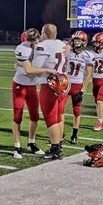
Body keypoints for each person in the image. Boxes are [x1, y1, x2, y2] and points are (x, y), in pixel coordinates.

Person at [12, 28, 56, 159]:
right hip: (20, 85)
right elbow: (29, 70)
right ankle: (17, 146)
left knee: (35, 116)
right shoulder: (21, 49)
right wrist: (48, 69)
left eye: (36, 40)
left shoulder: (41, 46)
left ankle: (32, 143)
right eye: (31, 41)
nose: (34, 43)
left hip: (32, 86)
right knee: (17, 116)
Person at [31, 24, 68, 160]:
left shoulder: (43, 46)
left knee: (51, 119)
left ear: (44, 33)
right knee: (58, 117)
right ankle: (58, 146)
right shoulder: (61, 44)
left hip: (49, 85)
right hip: (63, 83)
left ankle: (55, 149)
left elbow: (35, 68)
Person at [64, 31, 94, 144]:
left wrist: (82, 91)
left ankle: (74, 134)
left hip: (77, 85)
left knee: (76, 111)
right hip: (66, 84)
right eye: (75, 40)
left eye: (79, 40)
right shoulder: (68, 53)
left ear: (84, 42)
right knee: (60, 109)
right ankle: (60, 133)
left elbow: (89, 74)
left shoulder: (87, 55)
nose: (76, 42)